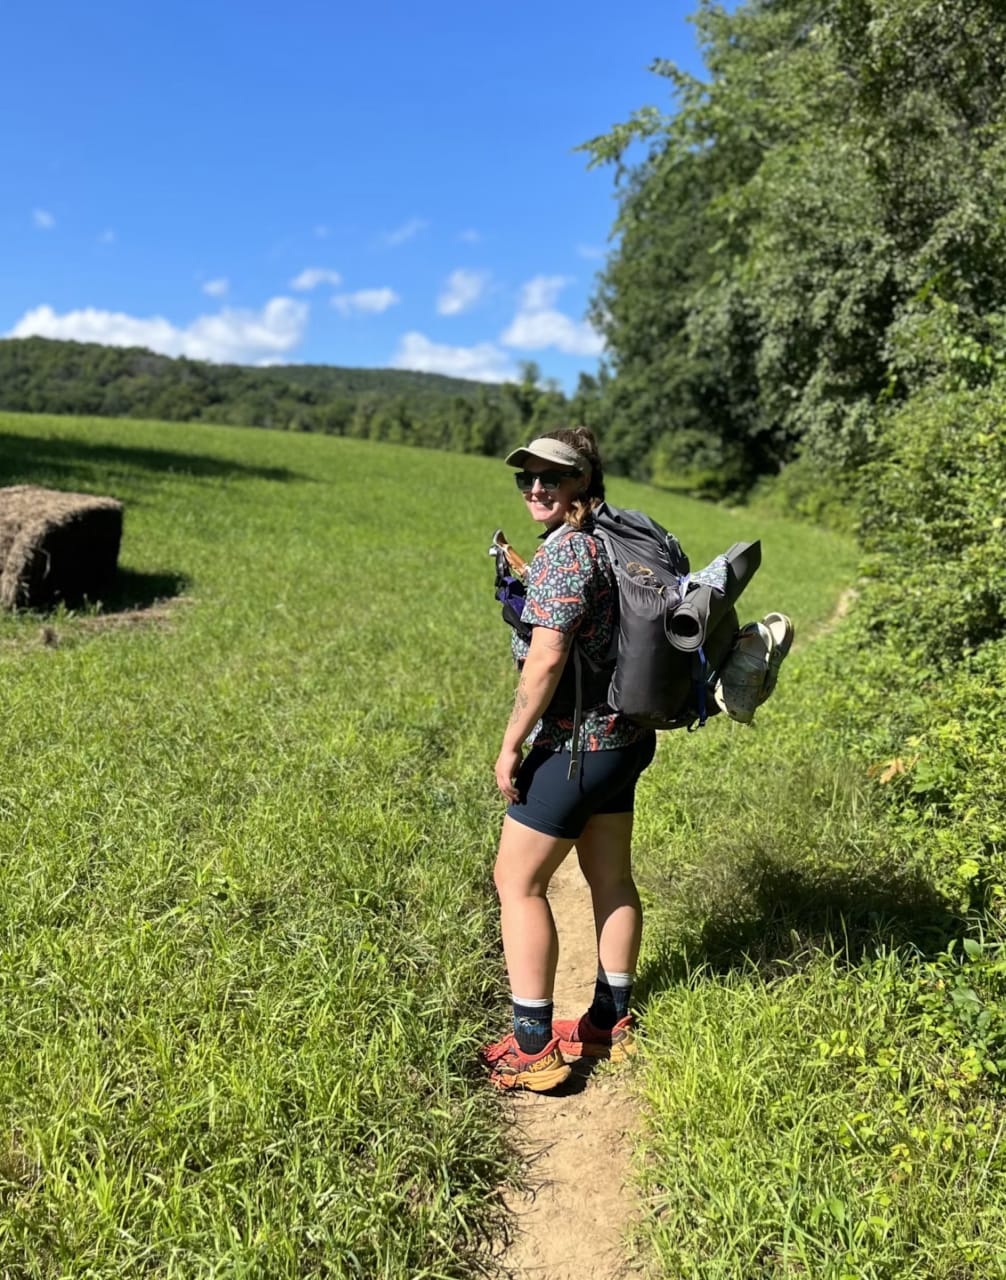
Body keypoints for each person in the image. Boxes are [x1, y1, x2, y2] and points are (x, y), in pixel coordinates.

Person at [480, 427, 657, 1091]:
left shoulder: (567, 551)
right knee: (611, 877)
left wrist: (511, 743)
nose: (536, 487)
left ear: (583, 480)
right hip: (624, 740)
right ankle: (610, 1023)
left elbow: (548, 657)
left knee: (517, 881)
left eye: (552, 476)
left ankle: (533, 1047)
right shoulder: (609, 540)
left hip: (574, 745)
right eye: (526, 476)